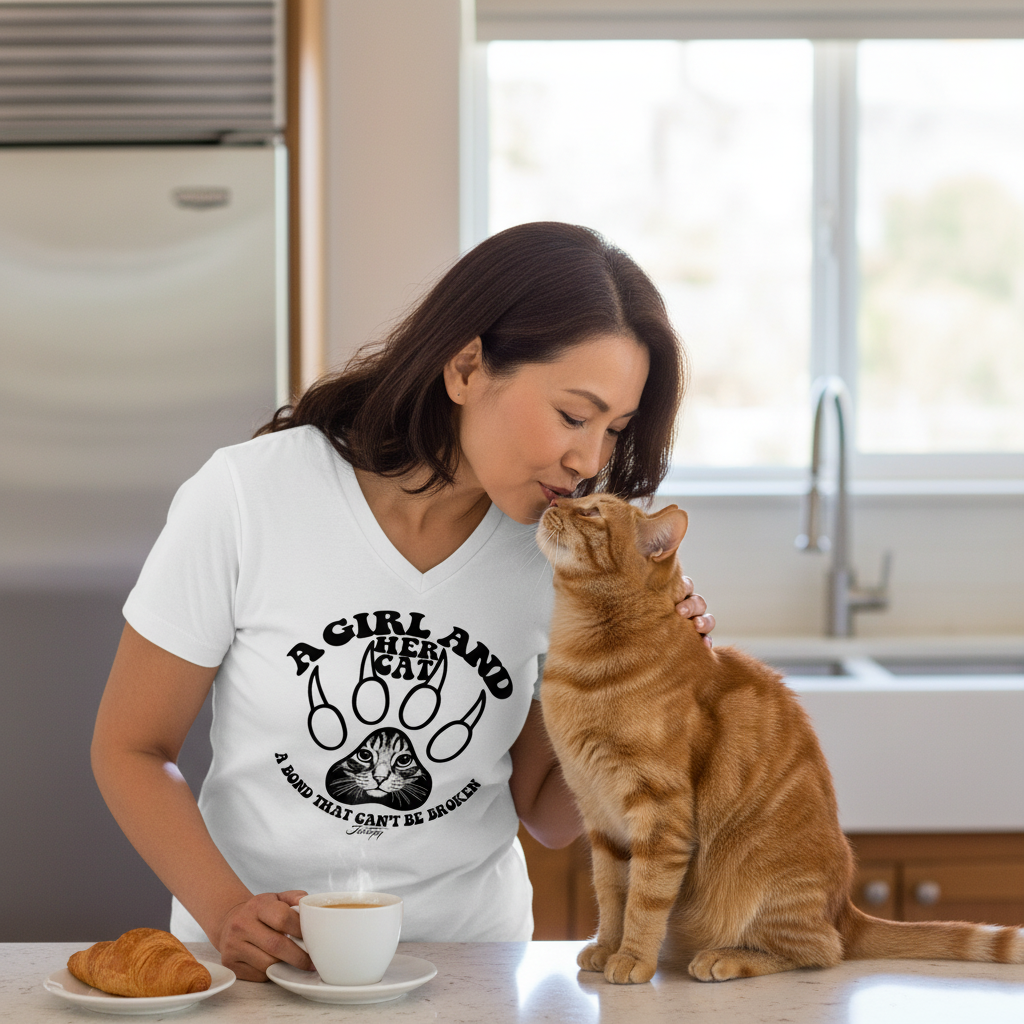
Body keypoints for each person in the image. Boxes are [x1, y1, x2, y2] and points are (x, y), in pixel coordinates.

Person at [91, 222, 715, 982]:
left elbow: (548, 814)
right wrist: (227, 911)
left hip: (468, 969)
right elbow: (130, 747)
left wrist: (635, 676)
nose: (589, 461)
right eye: (573, 415)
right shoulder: (249, 496)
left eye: (614, 430)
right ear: (465, 366)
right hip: (254, 970)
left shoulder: (560, 558)